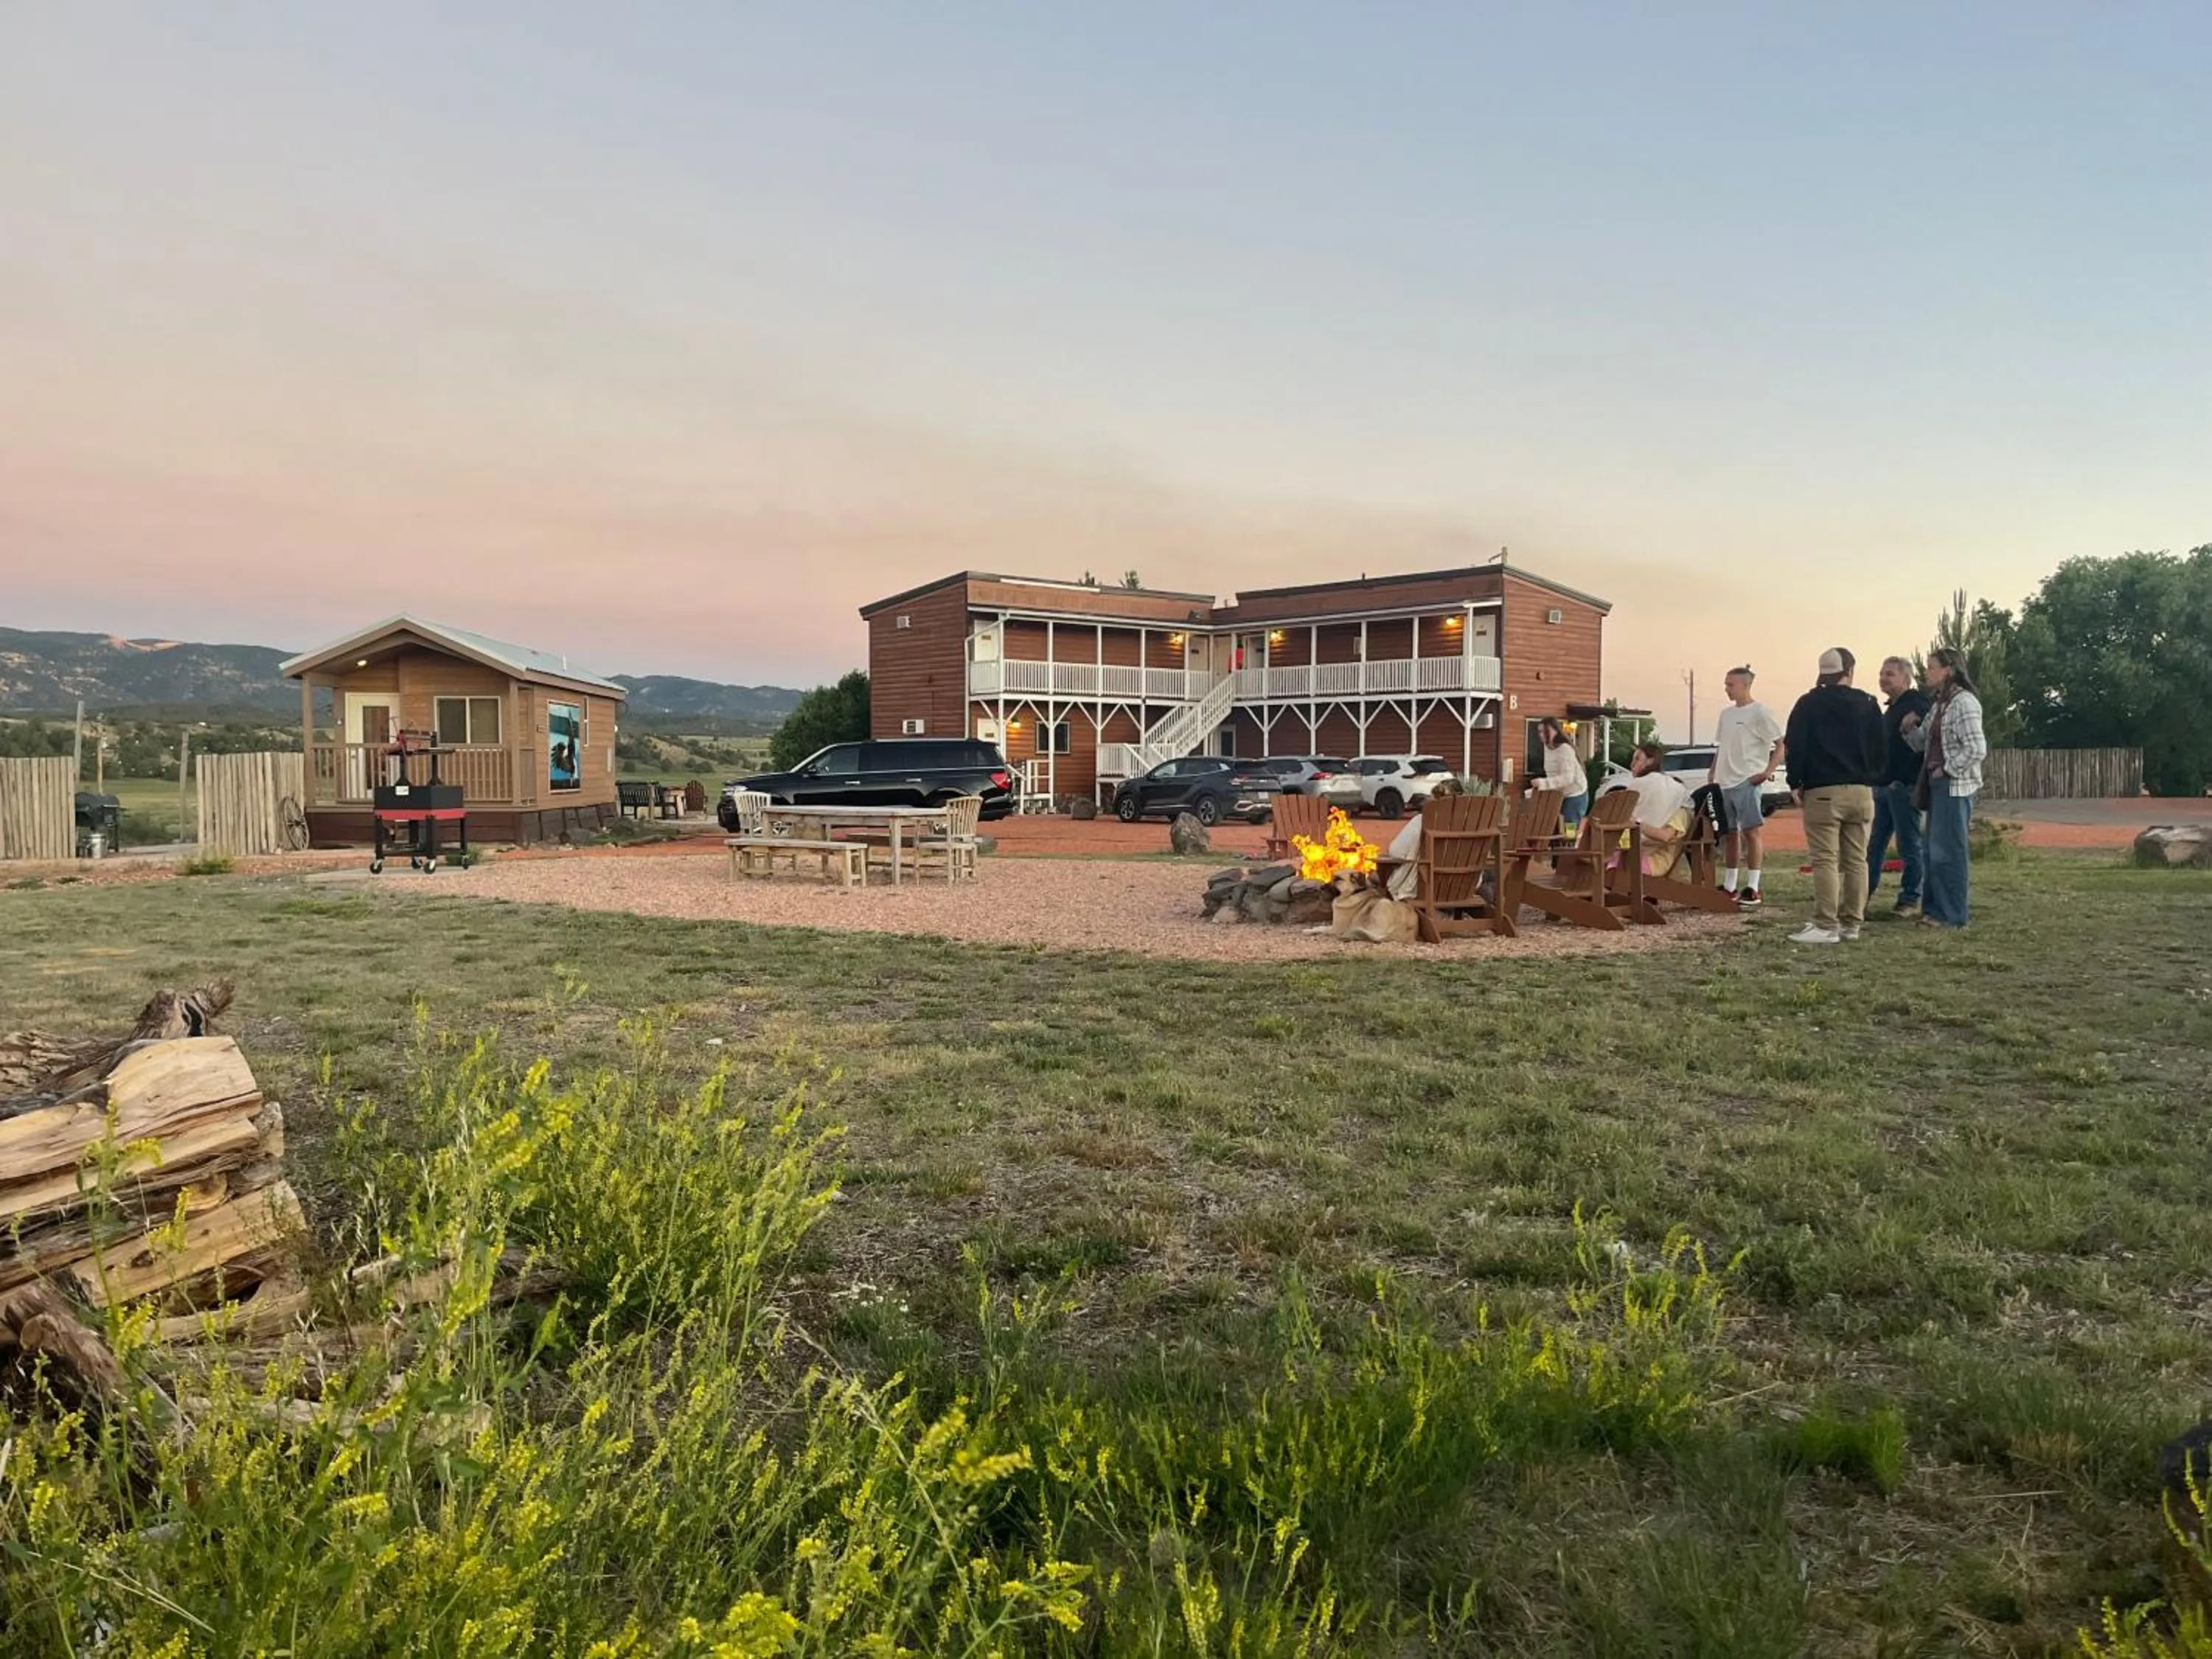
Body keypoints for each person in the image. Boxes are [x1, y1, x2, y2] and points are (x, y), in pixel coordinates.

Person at [1782, 647, 1886, 945]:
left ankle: (1826, 925)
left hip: (1824, 790)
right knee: (1857, 860)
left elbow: (1796, 746)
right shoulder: (1868, 703)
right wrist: (1872, 777)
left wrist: (1795, 782)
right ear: (1849, 672)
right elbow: (1881, 747)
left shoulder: (1808, 704)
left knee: (1826, 859)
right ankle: (1851, 925)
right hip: (1862, 791)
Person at [1905, 645, 1987, 929]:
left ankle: (1951, 915)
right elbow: (1921, 744)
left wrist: (1947, 769)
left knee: (1949, 851)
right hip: (1935, 784)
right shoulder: (1941, 705)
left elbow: (1977, 748)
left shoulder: (1964, 703)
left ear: (1948, 670)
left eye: (1931, 667)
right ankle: (1934, 911)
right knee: (1932, 850)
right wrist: (1908, 730)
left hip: (1955, 786)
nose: (1926, 672)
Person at [1708, 667, 1785, 908]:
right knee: (1730, 833)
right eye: (1726, 684)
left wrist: (1767, 771)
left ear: (1745, 685)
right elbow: (1722, 746)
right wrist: (1713, 771)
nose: (1727, 689)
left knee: (1750, 832)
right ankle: (1730, 885)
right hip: (1726, 781)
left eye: (1731, 685)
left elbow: (1781, 743)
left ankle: (1753, 886)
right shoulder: (1726, 715)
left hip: (1747, 780)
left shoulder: (1760, 712)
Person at [1867, 655, 1931, 919]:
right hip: (1882, 786)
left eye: (1890, 674)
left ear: (1906, 678)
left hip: (1902, 786)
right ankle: (1861, 895)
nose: (1883, 678)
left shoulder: (1917, 706)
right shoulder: (1891, 709)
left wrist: (1903, 779)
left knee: (1909, 844)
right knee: (1875, 844)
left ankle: (1910, 899)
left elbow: (1921, 748)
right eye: (1882, 673)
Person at [1614, 740, 1693, 877]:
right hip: (1639, 853)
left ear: (1650, 761)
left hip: (1649, 857)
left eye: (1637, 759)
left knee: (1603, 860)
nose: (1632, 764)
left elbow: (1664, 836)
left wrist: (1636, 823)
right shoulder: (1678, 796)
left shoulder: (1639, 785)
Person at [1385, 777, 1466, 900]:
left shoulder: (1420, 821)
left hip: (1426, 888)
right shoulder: (1471, 824)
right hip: (1462, 888)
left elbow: (1395, 852)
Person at [1534, 717, 1589, 833]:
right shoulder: (1547, 748)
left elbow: (1567, 778)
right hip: (1560, 794)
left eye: (1544, 731)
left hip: (1575, 794)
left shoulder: (1565, 750)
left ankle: (1569, 849)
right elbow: (1552, 774)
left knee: (1569, 830)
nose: (1541, 735)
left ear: (1555, 731)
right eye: (1539, 732)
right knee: (1555, 829)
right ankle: (1558, 850)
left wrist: (1544, 783)